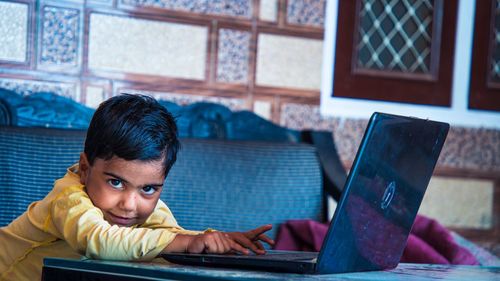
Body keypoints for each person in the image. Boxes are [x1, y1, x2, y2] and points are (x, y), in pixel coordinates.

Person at [0, 94, 274, 281]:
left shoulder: (144, 210)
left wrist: (215, 242)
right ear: (85, 169)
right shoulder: (69, 199)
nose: (130, 204)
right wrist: (187, 243)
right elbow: (98, 241)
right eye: (116, 182)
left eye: (149, 189)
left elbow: (167, 244)